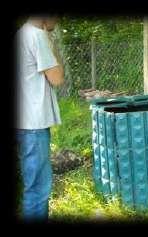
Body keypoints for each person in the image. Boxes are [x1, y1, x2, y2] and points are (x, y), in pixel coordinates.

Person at [15, 15, 64, 221]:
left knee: (31, 182)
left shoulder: (21, 34)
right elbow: (57, 78)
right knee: (38, 187)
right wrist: (50, 42)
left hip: (22, 121)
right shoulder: (36, 36)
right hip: (33, 124)